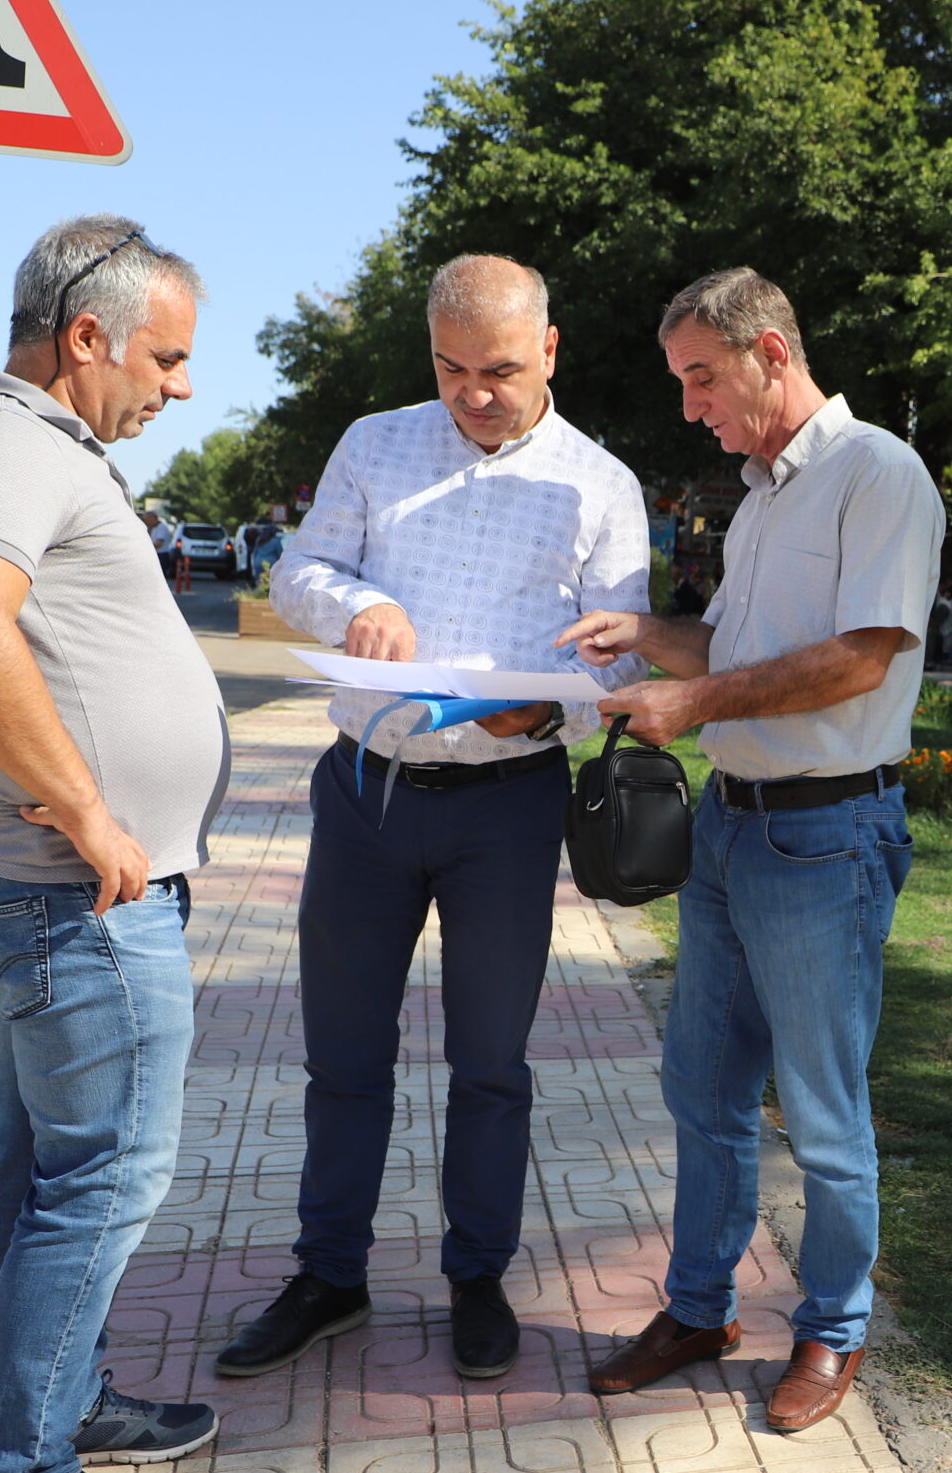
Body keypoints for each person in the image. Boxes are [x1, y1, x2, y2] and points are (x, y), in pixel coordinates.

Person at [220, 256, 649, 1382]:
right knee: (343, 1056)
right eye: (452, 369)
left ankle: (477, 1276)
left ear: (548, 351)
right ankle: (329, 1276)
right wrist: (359, 604)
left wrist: (549, 709)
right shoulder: (375, 443)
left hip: (506, 804)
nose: (474, 394)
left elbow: (629, 643)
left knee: (491, 1061)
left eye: (499, 370)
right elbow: (300, 565)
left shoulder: (600, 485)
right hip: (367, 792)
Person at [560, 267, 941, 1434]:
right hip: (733, 827)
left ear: (772, 353)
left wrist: (701, 702)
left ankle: (831, 1330)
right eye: (682, 383)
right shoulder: (765, 491)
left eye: (702, 379)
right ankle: (699, 1309)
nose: (689, 407)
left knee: (821, 1110)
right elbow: (741, 643)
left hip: (827, 836)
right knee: (702, 1091)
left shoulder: (876, 473)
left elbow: (861, 658)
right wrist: (654, 639)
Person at [0, 216, 225, 1473]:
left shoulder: (47, 447)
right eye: (167, 355)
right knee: (101, 1180)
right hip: (75, 900)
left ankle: (68, 1403)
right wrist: (94, 808)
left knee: (51, 1171)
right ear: (85, 337)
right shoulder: (3, 441)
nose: (183, 384)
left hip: (62, 895)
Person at [144, 508, 179, 579]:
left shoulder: (161, 527)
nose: (146, 522)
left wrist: (144, 546)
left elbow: (159, 544)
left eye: (147, 519)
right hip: (157, 555)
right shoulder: (154, 528)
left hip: (161, 556)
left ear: (153, 518)